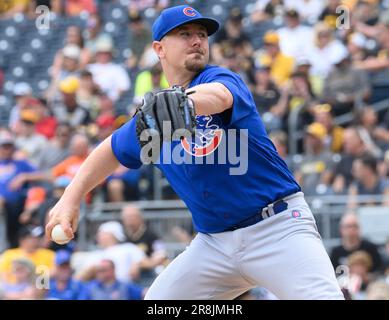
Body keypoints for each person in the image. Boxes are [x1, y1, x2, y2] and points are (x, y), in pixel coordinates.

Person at [46, 5, 344, 300]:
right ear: (159, 49)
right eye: (185, 34)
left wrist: (184, 103)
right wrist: (70, 198)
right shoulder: (153, 117)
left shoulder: (219, 80)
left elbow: (219, 97)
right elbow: (109, 149)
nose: (197, 40)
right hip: (214, 245)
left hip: (278, 228)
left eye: (202, 34)